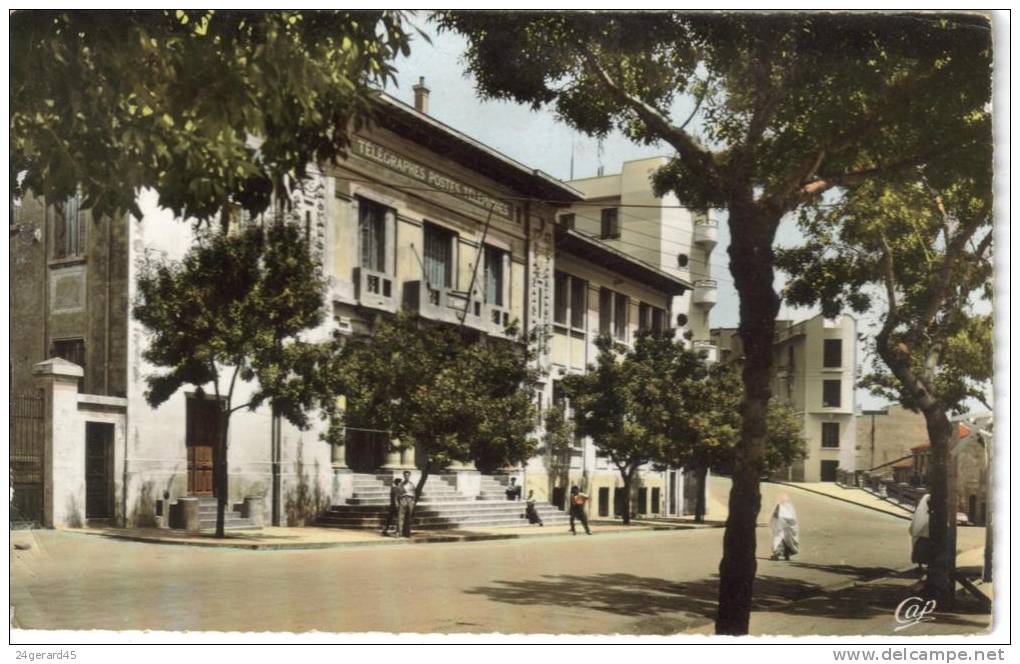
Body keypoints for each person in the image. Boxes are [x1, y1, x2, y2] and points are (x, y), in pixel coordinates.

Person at [769, 493, 800, 561]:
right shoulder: (789, 506)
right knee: (787, 541)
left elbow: (775, 516)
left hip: (780, 527)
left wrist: (773, 523)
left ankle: (777, 554)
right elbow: (793, 519)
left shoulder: (780, 506)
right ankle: (786, 555)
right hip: (787, 528)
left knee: (779, 540)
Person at [910, 493, 932, 577]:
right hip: (922, 536)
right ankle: (920, 565)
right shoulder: (922, 512)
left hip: (927, 536)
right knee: (921, 550)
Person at [397, 470, 416, 538]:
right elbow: (398, 494)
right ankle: (399, 532)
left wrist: (413, 502)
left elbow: (414, 494)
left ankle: (407, 533)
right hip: (403, 499)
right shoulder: (400, 484)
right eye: (405, 475)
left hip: (410, 500)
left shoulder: (412, 484)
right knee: (400, 517)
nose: (406, 476)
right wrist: (398, 502)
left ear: (409, 476)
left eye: (408, 475)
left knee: (409, 517)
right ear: (403, 476)